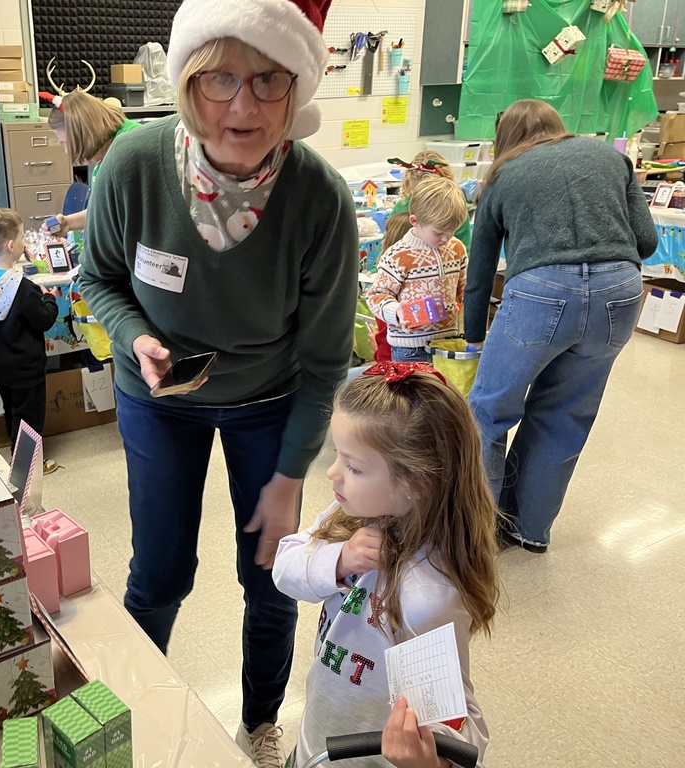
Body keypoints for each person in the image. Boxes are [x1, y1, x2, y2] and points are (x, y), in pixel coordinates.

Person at [78, 0, 358, 763]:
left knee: (270, 577)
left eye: (269, 79)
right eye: (220, 79)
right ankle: (130, 716)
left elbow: (326, 362)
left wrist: (289, 476)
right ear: (186, 82)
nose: (243, 106)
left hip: (270, 403)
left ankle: (260, 722)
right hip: (159, 402)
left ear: (297, 86)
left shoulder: (320, 200)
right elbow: (97, 278)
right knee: (159, 571)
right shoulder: (133, 166)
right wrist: (135, 336)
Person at [273, 363, 499, 768]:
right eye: (338, 456)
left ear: (416, 482)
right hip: (317, 740)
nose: (332, 473)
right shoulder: (352, 516)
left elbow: (459, 718)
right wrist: (339, 560)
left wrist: (430, 761)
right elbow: (285, 567)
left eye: (354, 466)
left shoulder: (427, 596)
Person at [466, 100, 658, 554]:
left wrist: (473, 338)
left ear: (503, 138)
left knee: (487, 414)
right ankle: (530, 530)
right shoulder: (612, 158)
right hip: (620, 291)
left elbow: (481, 272)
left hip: (540, 292)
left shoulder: (501, 175)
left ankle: (474, 537)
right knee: (564, 414)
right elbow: (647, 241)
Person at [0, 208, 60, 470]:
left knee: (12, 410)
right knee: (29, 418)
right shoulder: (24, 289)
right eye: (21, 237)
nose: (23, 242)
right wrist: (49, 299)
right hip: (26, 367)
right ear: (10, 245)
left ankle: (16, 456)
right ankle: (27, 469)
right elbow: (44, 320)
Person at [374, 152, 473, 361]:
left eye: (452, 231)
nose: (447, 238)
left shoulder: (457, 249)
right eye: (439, 232)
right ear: (415, 221)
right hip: (409, 349)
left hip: (446, 343)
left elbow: (464, 287)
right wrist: (397, 311)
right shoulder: (397, 256)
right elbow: (376, 296)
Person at [41, 90, 140, 237]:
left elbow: (128, 217)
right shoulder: (108, 146)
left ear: (85, 133)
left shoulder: (129, 149)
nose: (67, 151)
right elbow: (103, 210)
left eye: (67, 142)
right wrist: (68, 223)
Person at [372, 213, 413, 362]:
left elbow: (385, 349)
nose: (382, 242)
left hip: (390, 363)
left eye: (386, 237)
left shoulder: (389, 294)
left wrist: (376, 348)